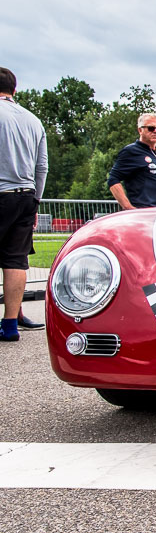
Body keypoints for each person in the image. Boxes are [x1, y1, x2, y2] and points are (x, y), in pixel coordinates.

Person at [0, 67, 49, 341]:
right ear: (14, 90)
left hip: (2, 189)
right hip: (26, 193)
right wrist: (36, 200)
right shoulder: (33, 120)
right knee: (15, 260)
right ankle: (9, 325)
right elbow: (42, 166)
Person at [108, 113, 156, 209]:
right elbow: (113, 179)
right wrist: (129, 208)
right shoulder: (132, 151)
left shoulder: (155, 153)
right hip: (142, 212)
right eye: (151, 128)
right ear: (140, 130)